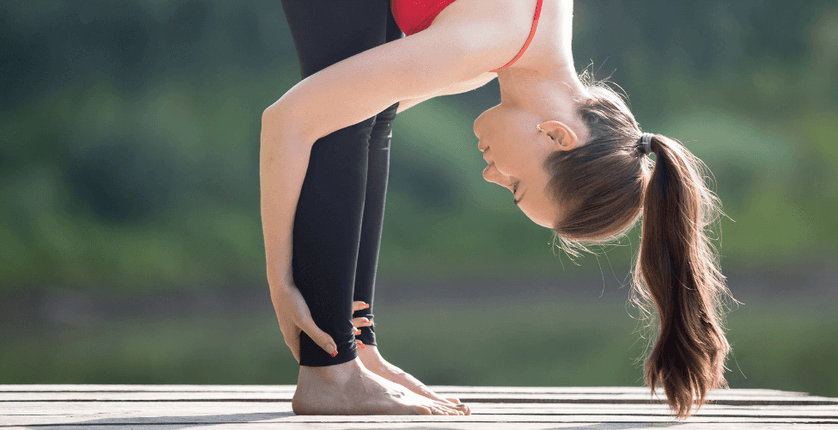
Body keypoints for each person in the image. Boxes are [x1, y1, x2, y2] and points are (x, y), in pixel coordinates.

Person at [263, 0, 732, 418]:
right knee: (343, 119)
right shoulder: (478, 46)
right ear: (555, 136)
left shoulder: (520, 42)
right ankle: (329, 373)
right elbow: (290, 120)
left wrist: (357, 341)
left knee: (360, 115)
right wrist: (281, 282)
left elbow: (355, 111)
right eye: (517, 185)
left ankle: (350, 352)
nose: (493, 176)